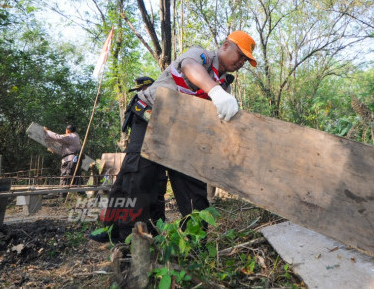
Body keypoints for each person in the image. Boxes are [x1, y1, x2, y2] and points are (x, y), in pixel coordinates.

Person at [89, 30, 257, 243]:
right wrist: (215, 92)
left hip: (183, 133)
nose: (241, 61)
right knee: (138, 177)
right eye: (240, 55)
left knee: (192, 184)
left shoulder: (225, 84)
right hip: (150, 116)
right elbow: (190, 68)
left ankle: (195, 243)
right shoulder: (201, 56)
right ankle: (127, 238)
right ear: (225, 46)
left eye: (246, 59)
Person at [44, 125, 82, 189]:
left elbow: (58, 137)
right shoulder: (76, 136)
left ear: (68, 131)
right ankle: (79, 194)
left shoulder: (70, 136)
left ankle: (62, 196)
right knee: (77, 178)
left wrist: (47, 131)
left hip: (70, 160)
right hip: (75, 159)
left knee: (65, 178)